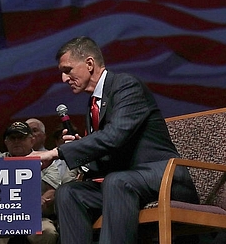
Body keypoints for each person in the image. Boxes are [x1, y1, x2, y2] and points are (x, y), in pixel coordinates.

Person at [28, 36, 198, 244]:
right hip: (124, 181)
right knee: (68, 193)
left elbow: (114, 137)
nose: (64, 79)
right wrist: (81, 150)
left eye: (67, 70)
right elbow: (108, 153)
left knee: (116, 181)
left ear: (89, 64)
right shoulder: (93, 104)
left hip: (163, 176)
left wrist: (57, 152)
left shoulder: (126, 86)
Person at [0, 121, 70, 244]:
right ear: (6, 142)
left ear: (31, 140)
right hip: (2, 217)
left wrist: (42, 199)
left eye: (21, 138)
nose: (16, 141)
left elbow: (52, 189)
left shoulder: (45, 159)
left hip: (37, 217)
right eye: (12, 138)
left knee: (48, 232)